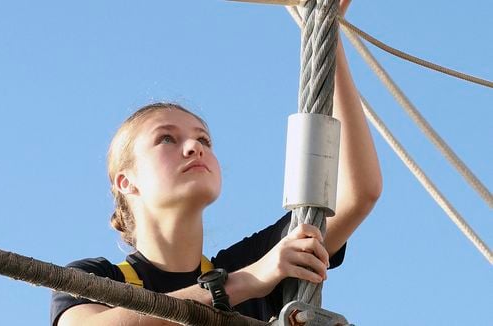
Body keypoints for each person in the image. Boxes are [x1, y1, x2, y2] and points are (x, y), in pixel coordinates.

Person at [50, 1, 382, 324]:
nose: (194, 146)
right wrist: (245, 282)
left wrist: (325, 35)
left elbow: (356, 195)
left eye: (205, 140)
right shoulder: (95, 278)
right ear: (126, 181)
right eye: (167, 138)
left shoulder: (254, 259)